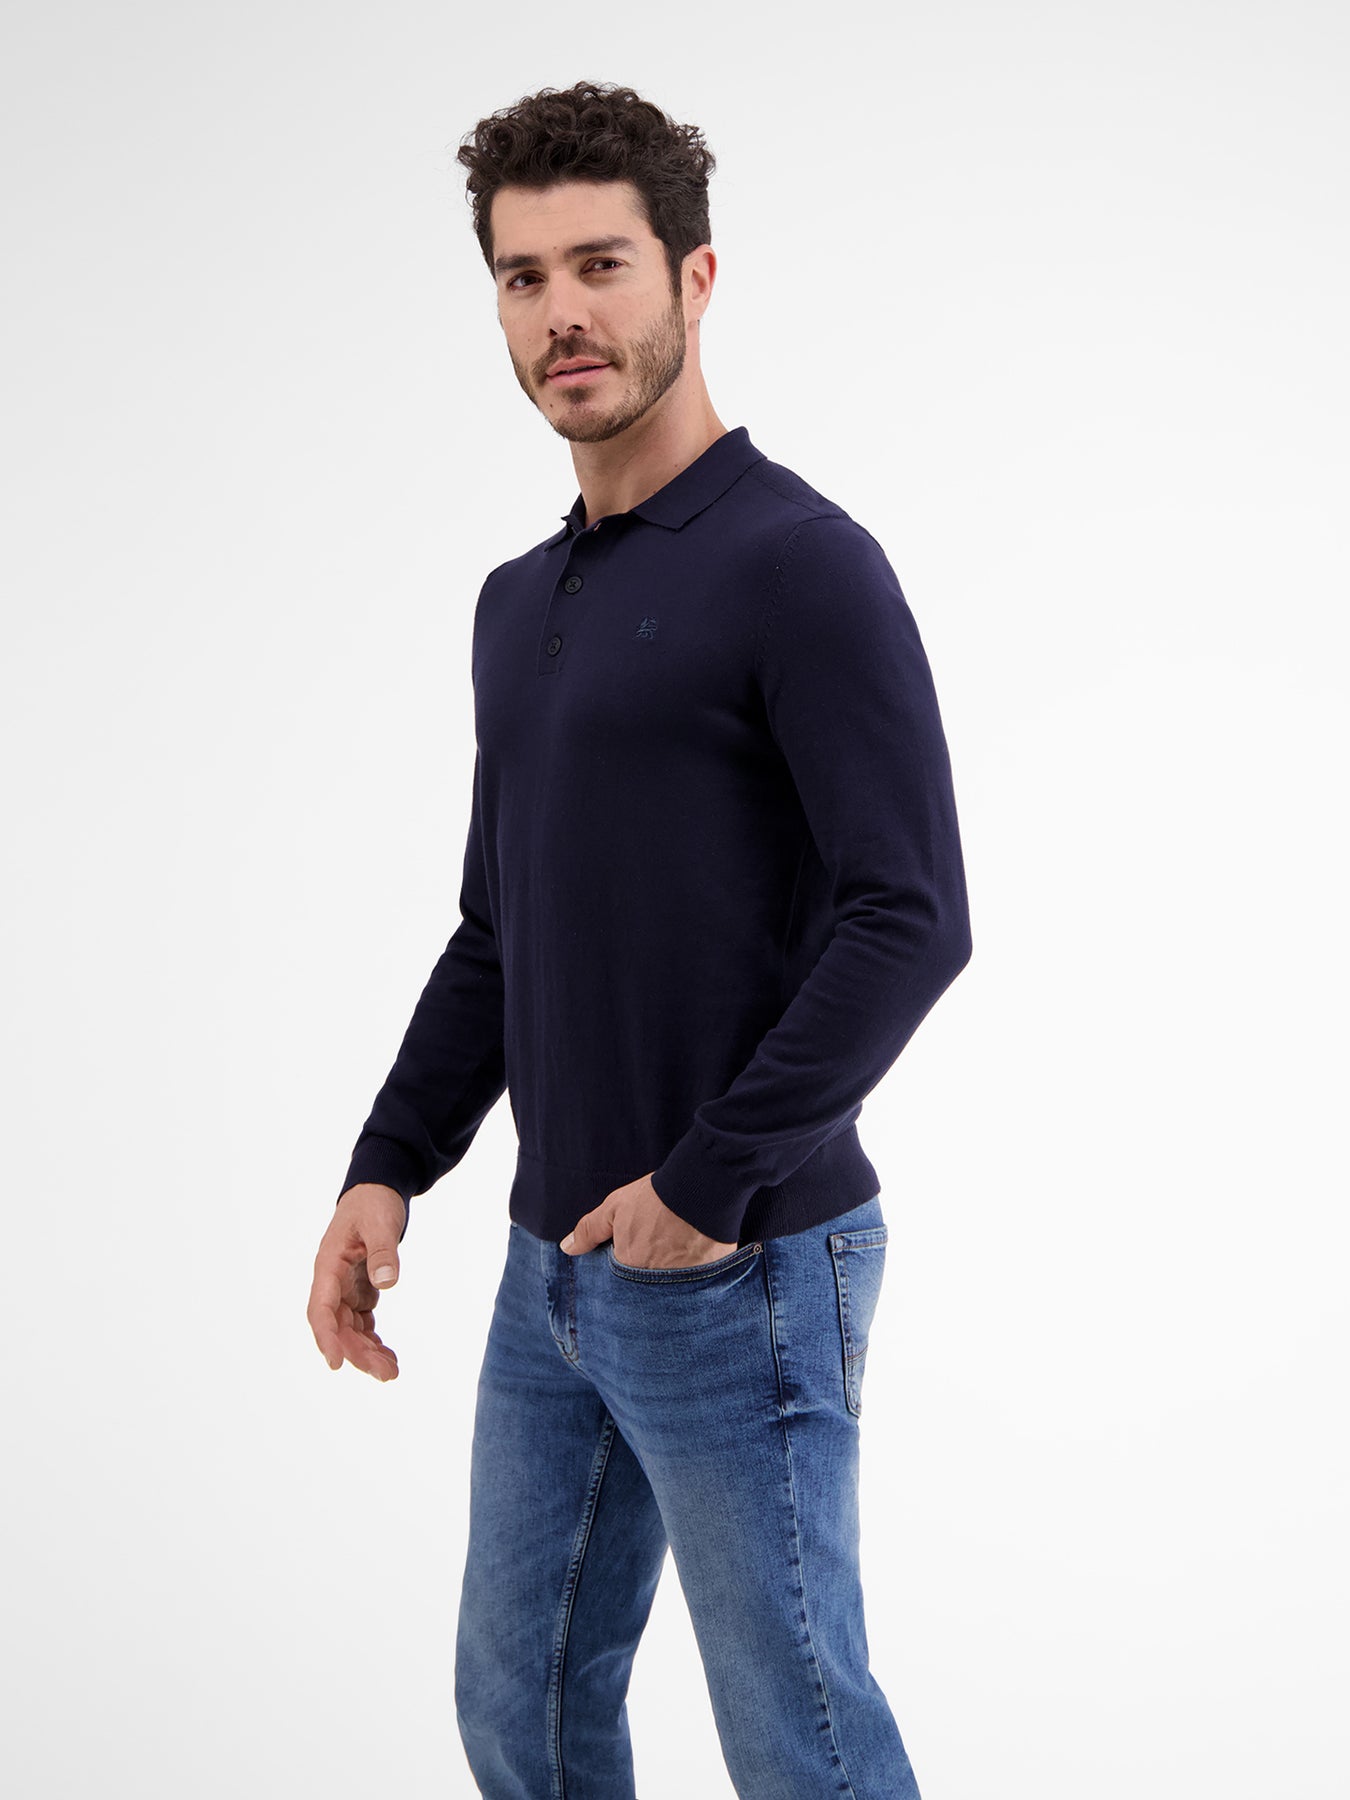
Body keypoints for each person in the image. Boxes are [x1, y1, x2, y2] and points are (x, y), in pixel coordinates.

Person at [307, 79, 972, 1800]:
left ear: (694, 277)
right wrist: (387, 1165)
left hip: (741, 1262)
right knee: (517, 1714)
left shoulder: (799, 564)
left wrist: (705, 1184)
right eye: (521, 278)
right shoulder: (518, 601)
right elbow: (497, 928)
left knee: (802, 1744)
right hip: (551, 1268)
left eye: (599, 264)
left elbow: (911, 915)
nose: (561, 314)